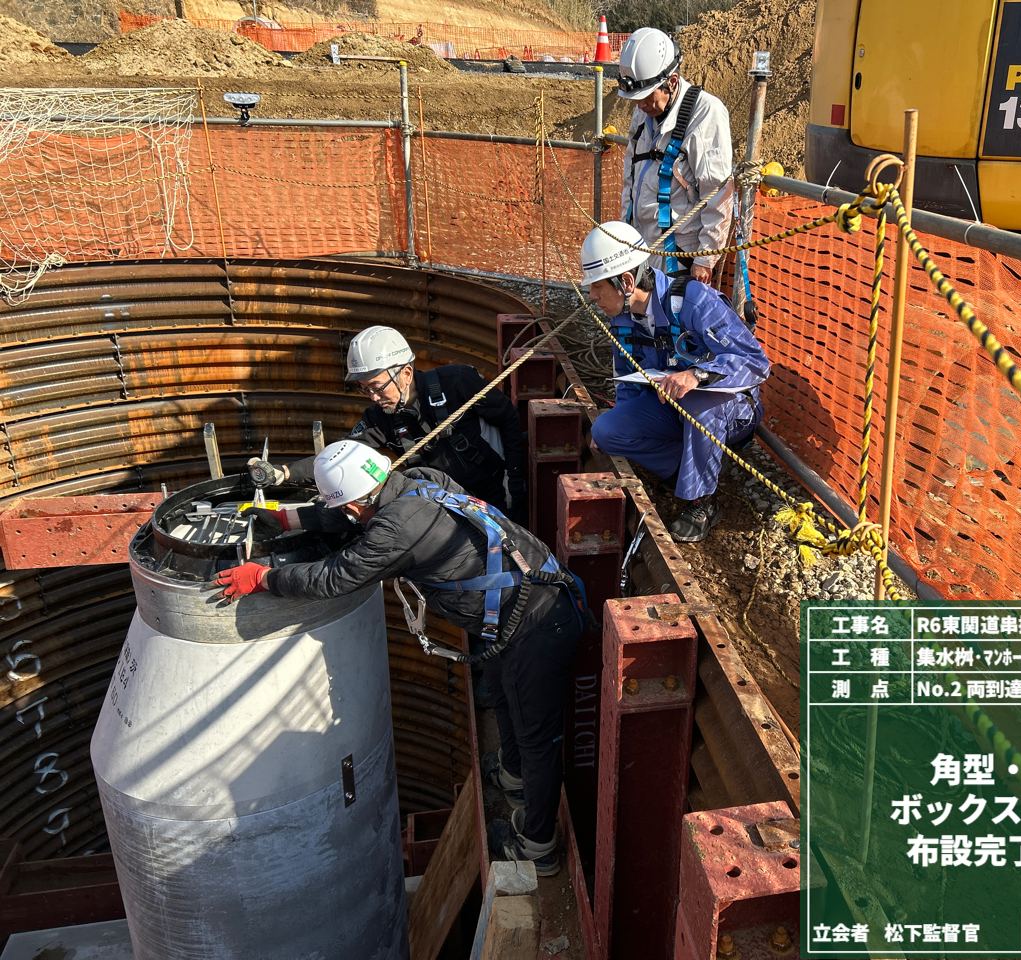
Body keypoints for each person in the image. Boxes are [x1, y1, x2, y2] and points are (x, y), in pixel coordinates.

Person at [215, 441, 582, 877]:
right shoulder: (421, 481)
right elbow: (349, 514)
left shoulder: (394, 531)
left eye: (346, 508)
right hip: (528, 603)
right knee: (501, 694)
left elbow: (335, 577)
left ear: (354, 505)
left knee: (536, 738)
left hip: (537, 627)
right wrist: (286, 518)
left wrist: (264, 577)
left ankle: (538, 847)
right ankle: (512, 777)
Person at [582, 221, 769, 542]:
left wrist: (697, 375)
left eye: (598, 286)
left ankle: (702, 501)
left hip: (731, 412)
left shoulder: (694, 301)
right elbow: (629, 384)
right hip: (673, 409)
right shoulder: (623, 322)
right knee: (606, 430)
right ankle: (688, 469)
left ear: (626, 281)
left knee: (699, 403)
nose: (592, 296)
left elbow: (755, 362)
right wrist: (623, 423)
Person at [249, 325, 529, 524]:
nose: (373, 396)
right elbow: (341, 457)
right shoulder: (380, 419)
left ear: (405, 373)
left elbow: (509, 420)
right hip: (451, 509)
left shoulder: (457, 382)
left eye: (377, 386)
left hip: (497, 494)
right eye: (364, 389)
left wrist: (515, 484)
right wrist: (283, 473)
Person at [617, 27, 733, 283]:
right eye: (636, 99)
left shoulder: (705, 114)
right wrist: (625, 235)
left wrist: (705, 258)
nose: (641, 105)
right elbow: (630, 178)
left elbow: (718, 193)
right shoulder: (643, 112)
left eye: (647, 97)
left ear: (671, 82)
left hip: (677, 258)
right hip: (640, 248)